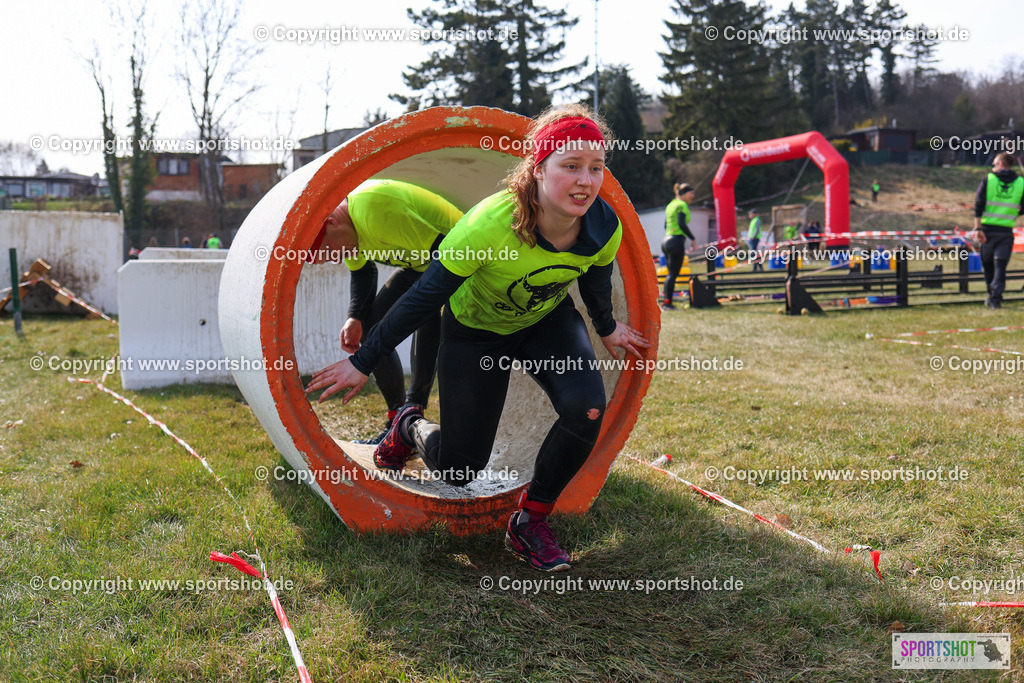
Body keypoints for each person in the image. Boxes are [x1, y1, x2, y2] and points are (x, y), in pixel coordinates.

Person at [305, 104, 649, 572]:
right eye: (570, 166)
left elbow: (595, 278)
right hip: (475, 333)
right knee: (459, 469)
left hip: (545, 320)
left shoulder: (604, 225)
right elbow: (424, 297)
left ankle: (530, 521)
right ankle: (409, 424)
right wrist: (363, 360)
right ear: (539, 167)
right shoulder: (489, 225)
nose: (586, 181)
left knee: (586, 408)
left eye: (596, 167)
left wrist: (607, 327)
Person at [308, 179, 464, 443]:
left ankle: (412, 411)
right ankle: (397, 419)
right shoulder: (348, 232)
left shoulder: (374, 209)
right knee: (372, 328)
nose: (338, 258)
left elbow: (443, 257)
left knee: (425, 311)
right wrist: (355, 316)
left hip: (457, 256)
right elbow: (363, 270)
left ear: (332, 222)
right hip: (424, 262)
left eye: (331, 251)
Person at [973, 152, 1024, 309]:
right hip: (1006, 231)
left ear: (1001, 164)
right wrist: (1013, 213)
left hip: (987, 230)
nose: (993, 168)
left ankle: (992, 295)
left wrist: (977, 228)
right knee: (1000, 266)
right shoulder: (1021, 182)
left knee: (988, 264)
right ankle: (995, 297)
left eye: (994, 164)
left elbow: (978, 205)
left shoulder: (988, 179)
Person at [662, 182, 696, 309]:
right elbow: (682, 224)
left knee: (670, 274)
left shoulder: (670, 205)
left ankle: (666, 301)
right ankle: (668, 303)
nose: (693, 196)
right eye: (691, 193)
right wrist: (692, 238)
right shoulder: (682, 205)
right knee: (673, 274)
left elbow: (665, 225)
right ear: (683, 194)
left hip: (666, 240)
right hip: (676, 241)